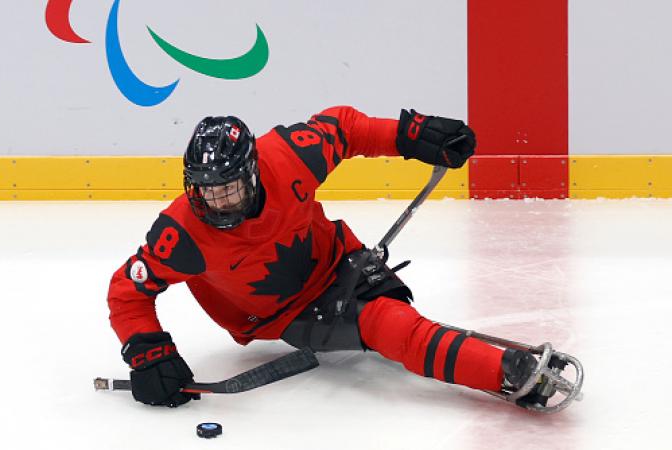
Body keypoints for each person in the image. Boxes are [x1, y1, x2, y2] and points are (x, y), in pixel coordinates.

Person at [107, 106, 545, 408]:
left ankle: (492, 365)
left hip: (340, 261)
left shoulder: (288, 156)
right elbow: (127, 290)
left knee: (394, 318)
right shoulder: (181, 233)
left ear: (253, 172)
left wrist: (412, 133)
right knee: (389, 325)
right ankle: (503, 371)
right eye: (205, 189)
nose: (217, 203)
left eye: (228, 188)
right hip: (282, 315)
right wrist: (148, 352)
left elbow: (344, 127)